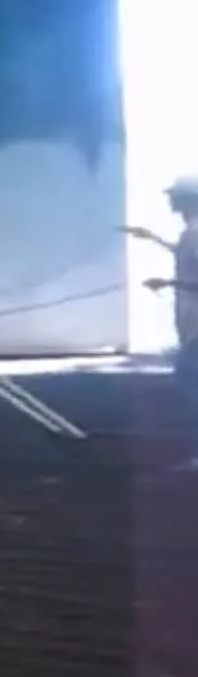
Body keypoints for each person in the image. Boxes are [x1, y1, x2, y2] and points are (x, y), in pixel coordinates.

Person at [122, 175, 198, 469]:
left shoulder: (194, 232)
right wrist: (152, 238)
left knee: (190, 385)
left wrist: (167, 281)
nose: (170, 201)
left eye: (174, 196)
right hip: (192, 324)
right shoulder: (190, 232)